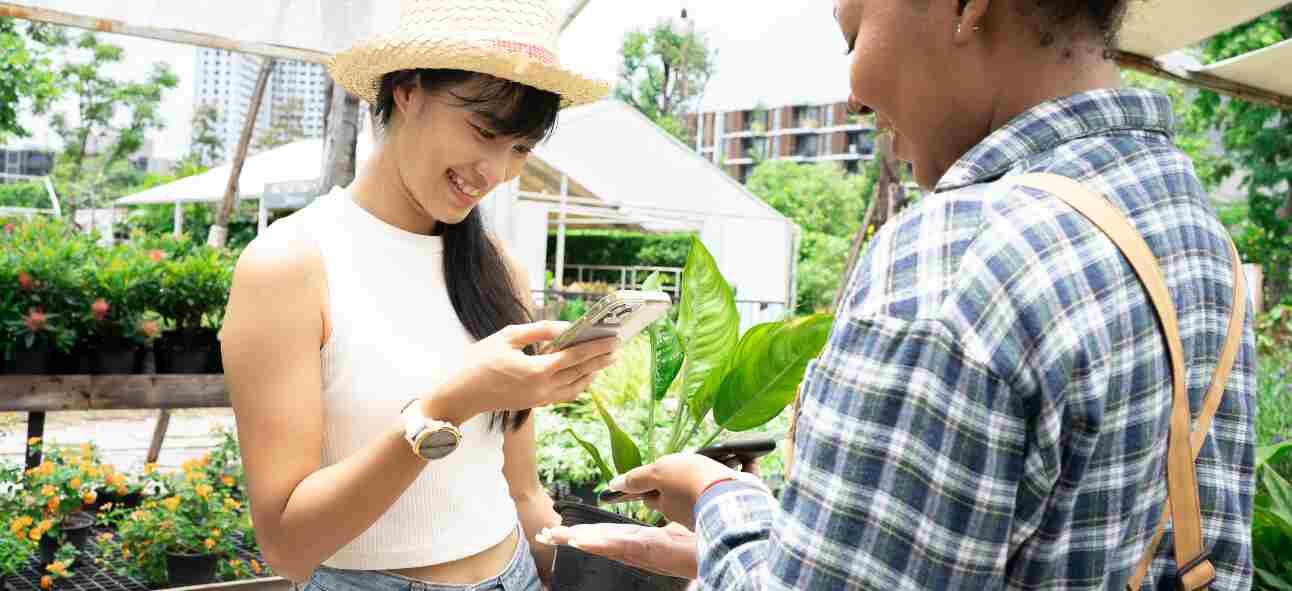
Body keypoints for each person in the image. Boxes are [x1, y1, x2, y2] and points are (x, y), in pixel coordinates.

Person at [541, 0, 1256, 589]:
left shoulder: (956, 260)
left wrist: (723, 503)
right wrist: (768, 549)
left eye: (853, 35)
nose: (852, 91)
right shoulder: (1190, 228)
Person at [218, 1, 615, 590]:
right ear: (406, 90)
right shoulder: (291, 265)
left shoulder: (495, 267)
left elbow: (523, 490)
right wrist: (444, 409)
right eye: (484, 131)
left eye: (521, 149)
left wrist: (614, 562)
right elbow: (286, 543)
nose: (495, 171)